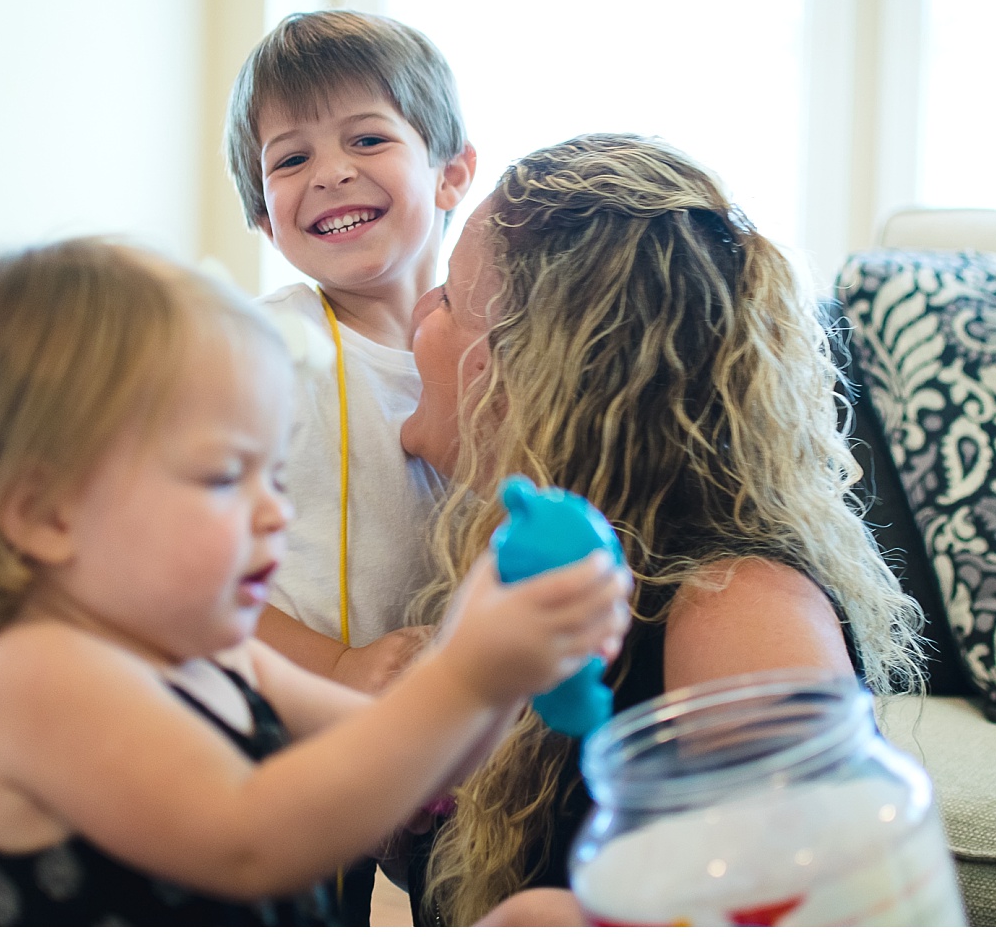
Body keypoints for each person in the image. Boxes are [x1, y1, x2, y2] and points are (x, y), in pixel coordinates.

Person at [0, 238, 630, 925]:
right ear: (45, 514)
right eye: (222, 476)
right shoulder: (35, 681)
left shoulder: (220, 656)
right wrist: (468, 676)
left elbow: (402, 756)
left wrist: (499, 665)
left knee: (544, 918)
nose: (274, 510)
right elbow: (252, 835)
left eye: (274, 473)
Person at [397, 134, 928, 925]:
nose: (415, 313)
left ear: (514, 373)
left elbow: (837, 917)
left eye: (444, 297)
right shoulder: (519, 581)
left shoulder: (734, 610)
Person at [222, 10, 476, 700]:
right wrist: (331, 667)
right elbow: (166, 571)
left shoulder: (495, 354)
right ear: (268, 221)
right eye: (292, 158)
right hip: (280, 730)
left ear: (452, 173)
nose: (332, 173)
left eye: (366, 138)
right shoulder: (257, 351)